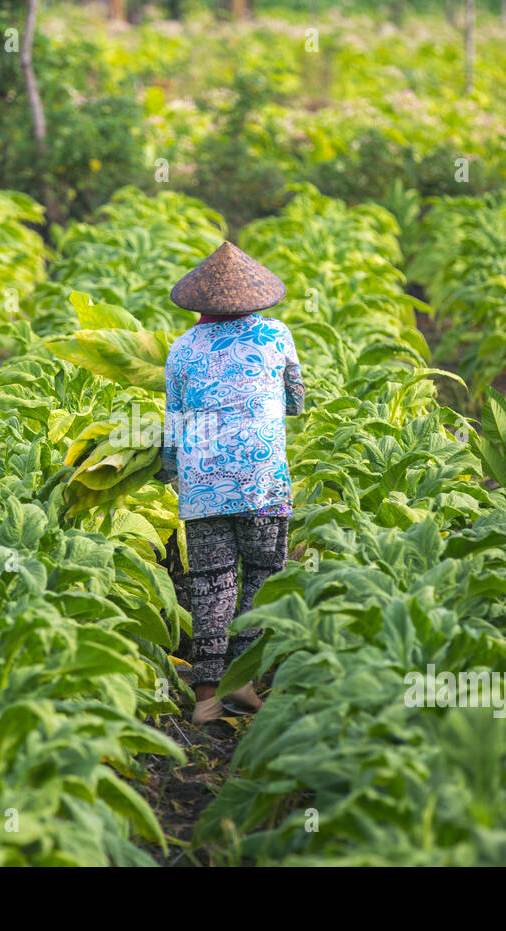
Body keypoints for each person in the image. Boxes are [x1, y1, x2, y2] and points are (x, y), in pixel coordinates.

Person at [159, 242, 305, 724]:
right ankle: (242, 679)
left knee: (209, 583)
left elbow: (172, 428)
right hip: (261, 478)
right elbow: (296, 403)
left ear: (199, 302)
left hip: (202, 483)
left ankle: (205, 699)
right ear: (255, 296)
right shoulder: (275, 335)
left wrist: (169, 473)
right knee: (263, 574)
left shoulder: (181, 348)